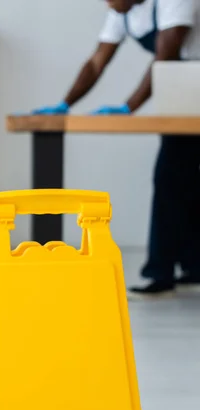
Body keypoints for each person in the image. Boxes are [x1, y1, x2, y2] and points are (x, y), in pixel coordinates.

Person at [33, 0, 200, 298]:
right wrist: (65, 104)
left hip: (186, 77)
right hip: (184, 88)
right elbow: (97, 61)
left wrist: (129, 106)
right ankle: (183, 269)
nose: (107, 3)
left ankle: (169, 270)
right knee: (176, 178)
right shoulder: (121, 13)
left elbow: (168, 54)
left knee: (174, 176)